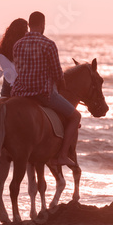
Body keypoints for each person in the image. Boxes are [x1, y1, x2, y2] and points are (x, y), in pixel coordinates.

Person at [11, 11, 81, 167]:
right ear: (43, 24)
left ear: (29, 24)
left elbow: (18, 70)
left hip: (20, 94)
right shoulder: (48, 44)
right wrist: (62, 83)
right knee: (76, 116)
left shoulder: (17, 44)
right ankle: (62, 155)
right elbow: (57, 73)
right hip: (42, 94)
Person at [0, 18, 28, 97]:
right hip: (20, 87)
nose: (28, 32)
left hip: (6, 88)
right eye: (26, 29)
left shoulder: (5, 47)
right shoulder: (23, 46)